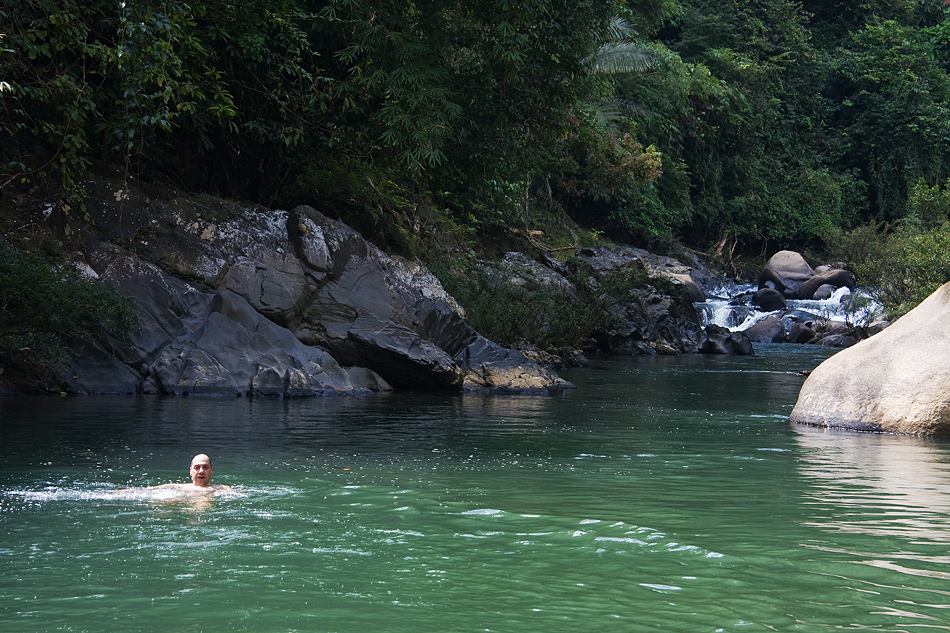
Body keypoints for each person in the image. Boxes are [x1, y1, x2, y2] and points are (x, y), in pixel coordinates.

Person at [157, 454, 235, 493]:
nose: (201, 471)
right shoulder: (177, 488)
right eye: (197, 467)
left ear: (211, 471)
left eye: (205, 467)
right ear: (191, 471)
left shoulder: (222, 489)